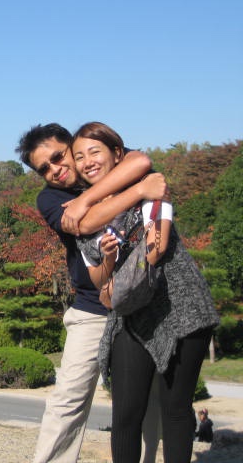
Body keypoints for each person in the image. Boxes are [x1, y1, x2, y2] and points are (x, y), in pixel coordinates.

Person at [16, 123, 168, 463]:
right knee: (68, 398)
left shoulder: (103, 162)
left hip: (144, 301)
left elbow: (141, 161)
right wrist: (138, 190)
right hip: (92, 308)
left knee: (149, 398)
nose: (55, 169)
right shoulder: (50, 198)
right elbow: (84, 224)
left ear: (72, 146)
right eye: (44, 168)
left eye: (59, 156)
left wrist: (85, 199)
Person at [71, 121, 220, 463]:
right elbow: (98, 279)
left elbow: (158, 246)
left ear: (117, 154)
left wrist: (117, 274)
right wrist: (109, 260)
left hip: (182, 307)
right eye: (79, 157)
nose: (87, 162)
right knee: (125, 414)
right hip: (130, 316)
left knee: (176, 408)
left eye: (94, 152)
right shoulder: (83, 215)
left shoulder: (150, 184)